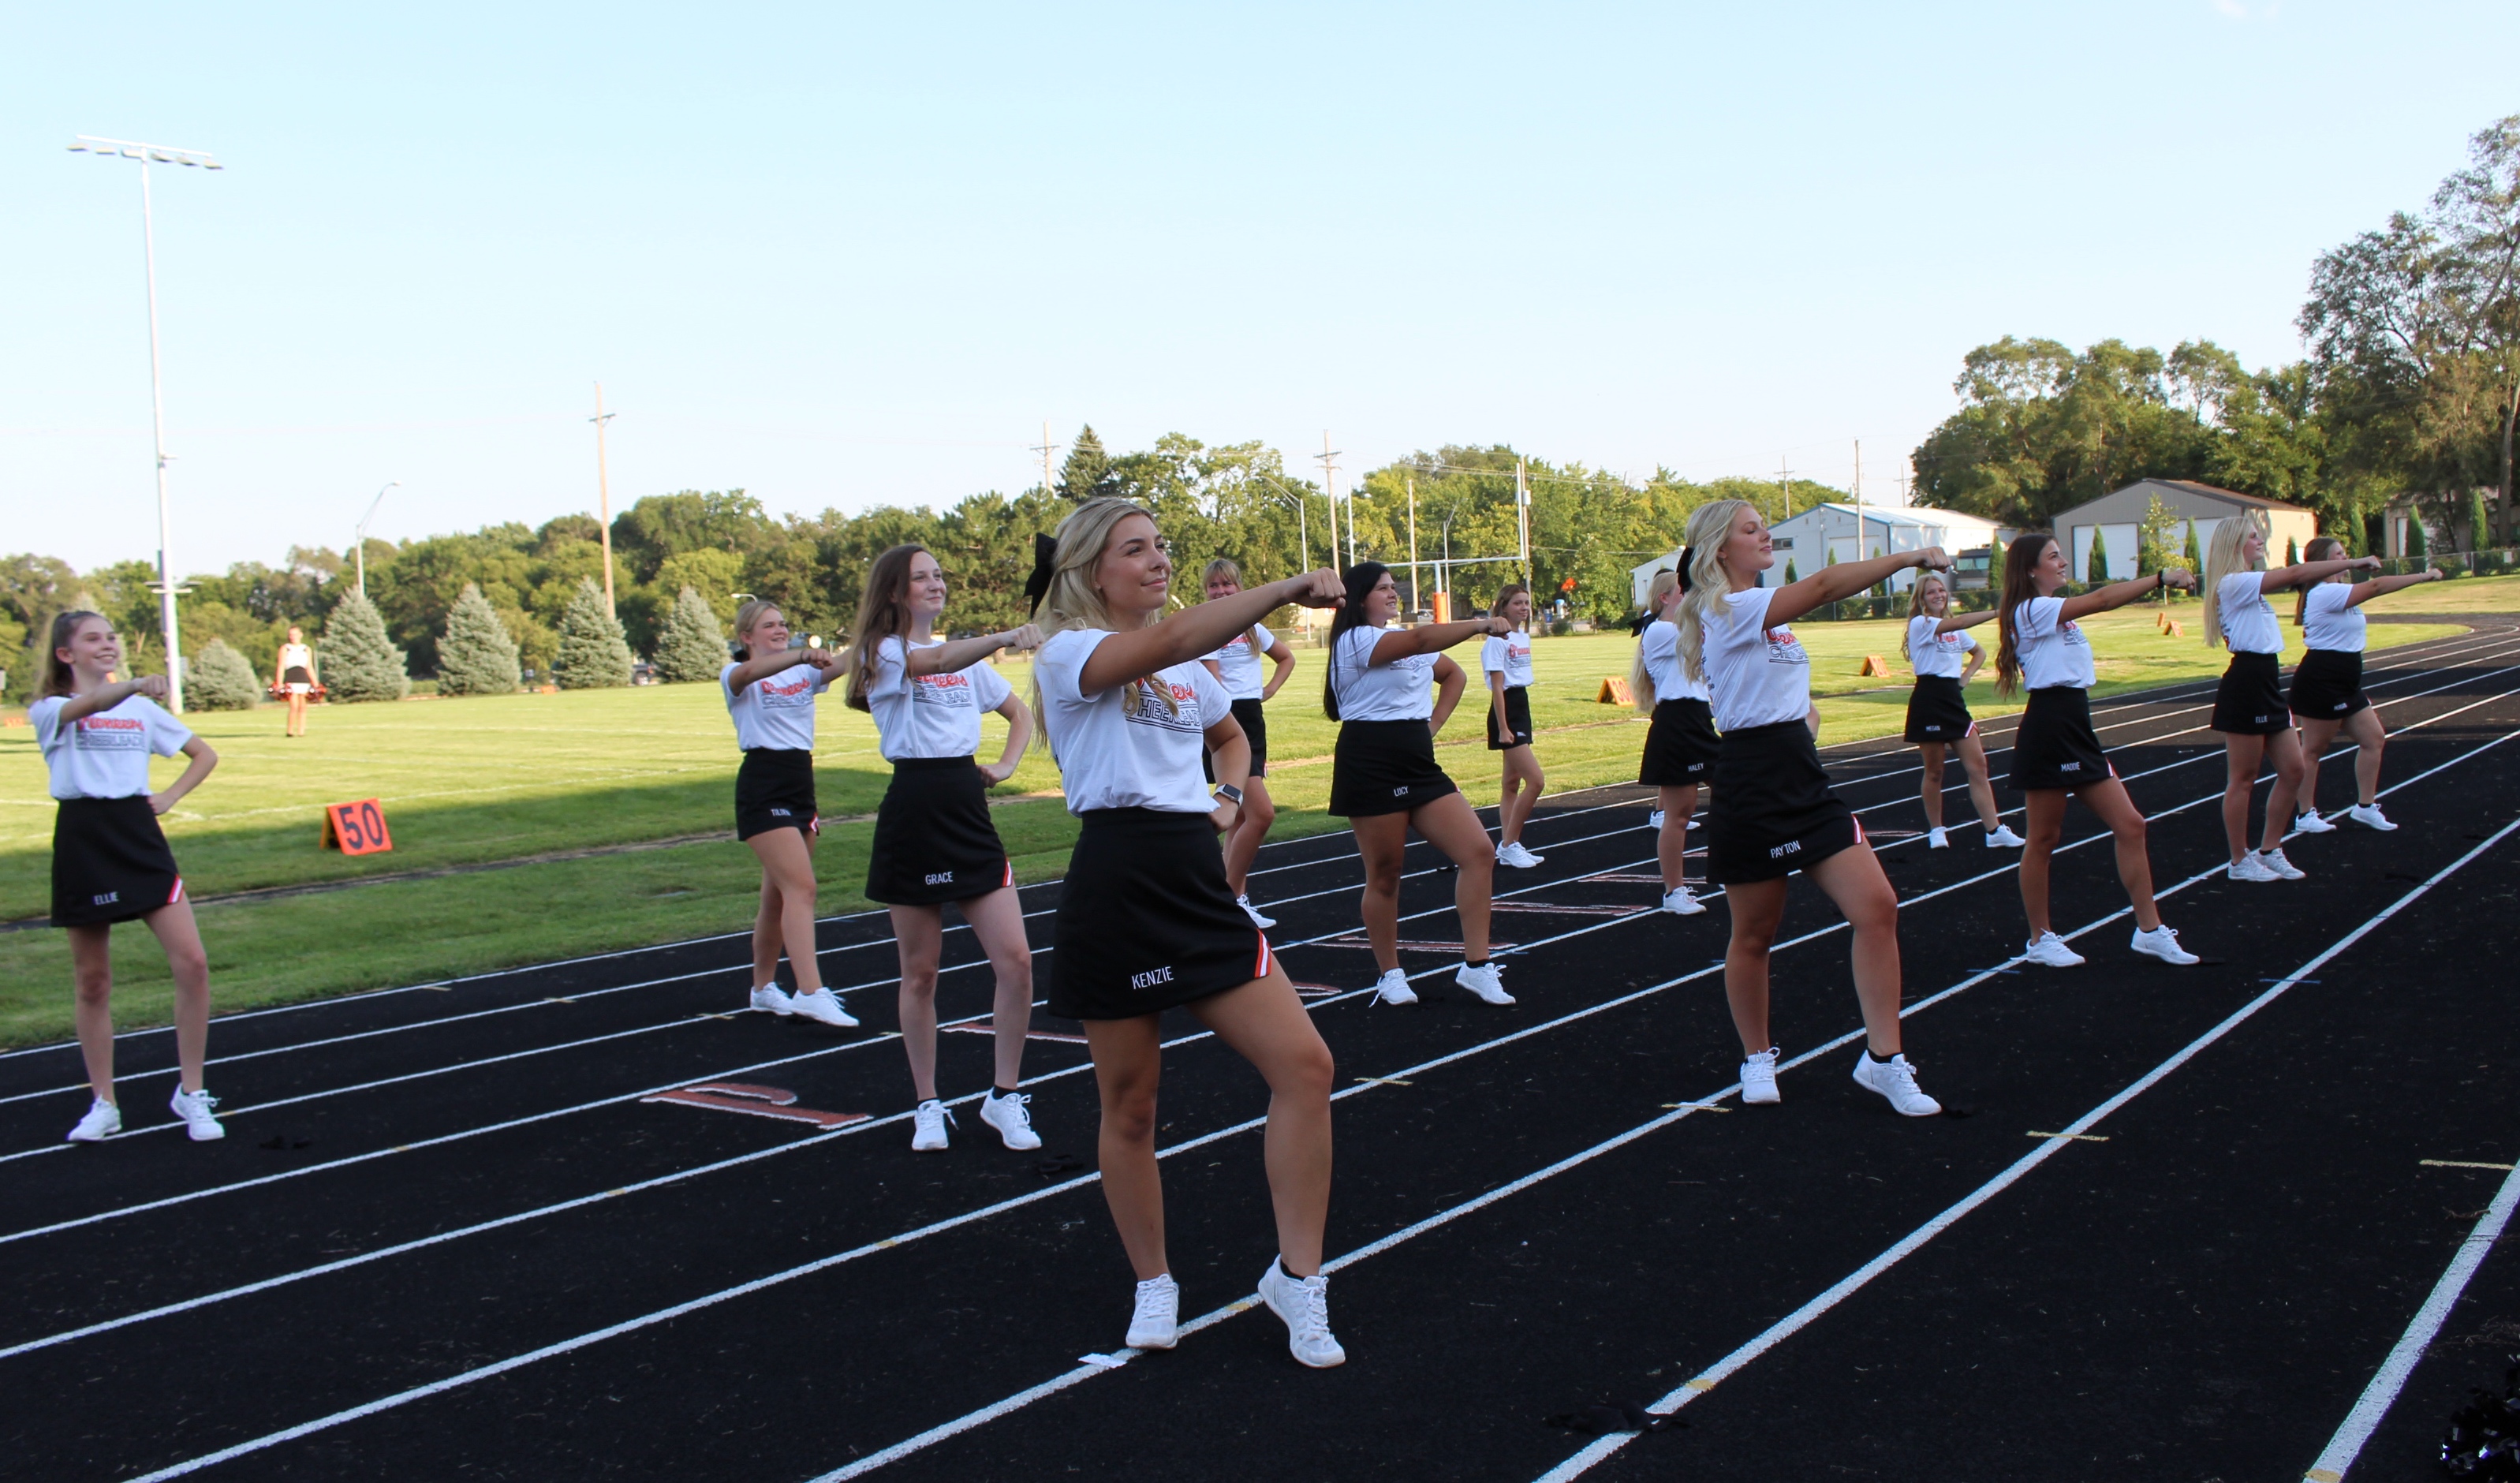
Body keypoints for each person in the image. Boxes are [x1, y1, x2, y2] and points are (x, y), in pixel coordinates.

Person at [1025, 499, 1350, 1367]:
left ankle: (1298, 1279)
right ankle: (1154, 1282)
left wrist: (1231, 797)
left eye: (1161, 544)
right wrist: (1286, 587)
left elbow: (1231, 736)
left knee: (1306, 1065)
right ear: (1096, 569)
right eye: (1137, 549)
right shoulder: (1067, 652)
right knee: (1131, 1105)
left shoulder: (1188, 669)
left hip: (1192, 878)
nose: (1158, 559)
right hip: (1117, 882)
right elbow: (1166, 642)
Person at [1672, 500, 1946, 1117]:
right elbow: (1821, 586)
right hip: (1749, 781)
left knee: (1876, 908)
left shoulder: (1759, 613)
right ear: (1720, 549)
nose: (1764, 535)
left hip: (1799, 772)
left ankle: (1882, 1060)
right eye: (1751, 530)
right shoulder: (1727, 608)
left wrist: (1803, 718)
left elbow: (1772, 683)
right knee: (1755, 934)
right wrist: (1907, 556)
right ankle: (1757, 1056)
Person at [843, 544, 1046, 1153]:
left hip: (965, 804)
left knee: (1015, 961)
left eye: (938, 575)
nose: (935, 584)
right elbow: (930, 663)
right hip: (912, 808)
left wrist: (1007, 765)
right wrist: (1006, 635)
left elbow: (1018, 714)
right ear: (895, 593)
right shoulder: (883, 651)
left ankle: (1004, 1097)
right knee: (921, 972)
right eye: (921, 578)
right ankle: (927, 1104)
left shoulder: (965, 660)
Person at [32, 611, 226, 1143]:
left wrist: (169, 797)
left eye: (111, 637)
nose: (108, 644)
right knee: (93, 981)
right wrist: (137, 684)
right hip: (83, 838)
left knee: (193, 962)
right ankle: (104, 1103)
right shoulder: (49, 710)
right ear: (66, 654)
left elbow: (203, 754)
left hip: (137, 835)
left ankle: (191, 1094)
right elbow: (89, 704)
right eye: (93, 639)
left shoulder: (141, 710)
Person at [1993, 536, 2202, 969]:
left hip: (2076, 723)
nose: (2063, 561)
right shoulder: (2031, 610)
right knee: (2044, 839)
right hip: (2050, 727)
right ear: (2031, 570)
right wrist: (2160, 577)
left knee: (2131, 824)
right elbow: (2104, 599)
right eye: (2054, 556)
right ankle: (2040, 939)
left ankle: (2149, 931)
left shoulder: (2054, 613)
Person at [1324, 564, 1518, 1007]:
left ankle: (1476, 967)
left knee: (1478, 853)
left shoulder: (1397, 638)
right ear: (1358, 598)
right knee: (1386, 874)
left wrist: (1429, 727)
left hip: (1416, 760)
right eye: (1383, 589)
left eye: (1394, 588)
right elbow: (1419, 640)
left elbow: (1455, 675)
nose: (1393, 594)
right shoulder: (1355, 640)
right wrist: (1482, 624)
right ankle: (1390, 974)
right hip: (1370, 760)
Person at [2201, 516, 2376, 882]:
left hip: (2266, 680)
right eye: (2252, 535)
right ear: (2235, 544)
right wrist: (2351, 563)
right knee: (2243, 779)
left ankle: (2270, 848)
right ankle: (2238, 861)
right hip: (2247, 683)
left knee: (2294, 769)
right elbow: (2297, 574)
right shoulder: (2234, 583)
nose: (2260, 539)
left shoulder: (2248, 585)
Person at [722, 600, 858, 1029]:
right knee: (802, 888)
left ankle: (763, 990)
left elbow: (845, 663)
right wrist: (800, 653)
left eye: (783, 624)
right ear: (747, 637)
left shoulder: (803, 674)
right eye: (769, 626)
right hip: (764, 785)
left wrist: (879, 624)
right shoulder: (736, 674)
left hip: (801, 781)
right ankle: (810, 991)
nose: (780, 630)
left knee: (777, 895)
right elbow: (747, 675)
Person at [2290, 537, 2443, 832]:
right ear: (2324, 561)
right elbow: (2376, 587)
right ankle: (2305, 815)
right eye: (2339, 555)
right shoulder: (2324, 592)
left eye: (2345, 553)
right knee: (2313, 750)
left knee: (2374, 739)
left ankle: (2365, 807)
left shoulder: (2338, 592)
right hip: (2323, 679)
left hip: (2346, 678)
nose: (2346, 558)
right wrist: (2425, 575)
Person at [1197, 558, 1297, 928]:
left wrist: (1267, 689)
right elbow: (1213, 685)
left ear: (1240, 587)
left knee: (1240, 815)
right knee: (1261, 813)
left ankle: (1230, 898)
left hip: (1253, 719)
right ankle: (1230, 898)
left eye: (1227, 585)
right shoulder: (1210, 627)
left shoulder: (1251, 626)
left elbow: (1286, 658)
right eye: (1214, 586)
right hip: (1228, 723)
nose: (1221, 591)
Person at [1901, 571, 2024, 850]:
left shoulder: (1954, 629)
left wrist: (1965, 677)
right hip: (1929, 699)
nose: (1938, 595)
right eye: (1931, 592)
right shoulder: (1922, 623)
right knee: (1934, 771)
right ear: (1921, 598)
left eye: (1941, 590)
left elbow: (1978, 651)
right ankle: (1937, 830)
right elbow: (1960, 621)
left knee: (1978, 766)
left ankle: (1994, 830)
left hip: (1953, 700)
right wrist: (1997, 611)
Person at [1630, 566, 1716, 915]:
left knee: (1735, 794)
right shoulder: (1659, 630)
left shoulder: (1679, 627)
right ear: (1666, 598)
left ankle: (1734, 864)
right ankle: (1674, 892)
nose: (1693, 598)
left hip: (1697, 719)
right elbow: (1702, 632)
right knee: (1678, 816)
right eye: (1686, 592)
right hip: (1677, 722)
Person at [1483, 582, 1548, 869]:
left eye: (1526, 603)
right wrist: (1503, 727)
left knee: (1511, 784)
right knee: (1536, 781)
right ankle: (1510, 844)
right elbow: (1498, 689)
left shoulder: (1522, 637)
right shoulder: (1496, 641)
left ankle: (1509, 844)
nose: (1524, 608)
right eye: (1518, 603)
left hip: (1522, 704)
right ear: (1503, 606)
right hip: (1507, 709)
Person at [274, 626, 316, 738]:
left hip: (304, 679)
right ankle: (290, 731)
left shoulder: (306, 649)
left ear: (301, 635)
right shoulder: (285, 648)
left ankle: (301, 731)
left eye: (295, 634)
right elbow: (281, 666)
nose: (293, 637)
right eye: (291, 635)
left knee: (303, 707)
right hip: (291, 679)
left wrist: (315, 683)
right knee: (294, 706)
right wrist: (279, 683)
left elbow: (310, 667)